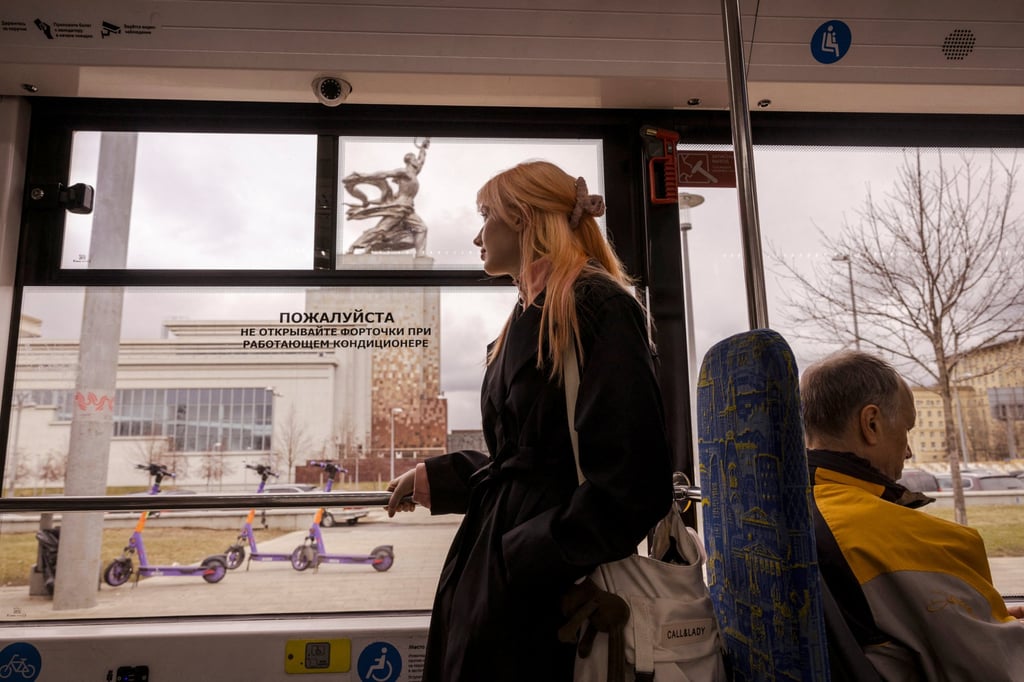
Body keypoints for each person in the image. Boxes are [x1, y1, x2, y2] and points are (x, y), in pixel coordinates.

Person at [386, 160, 674, 681]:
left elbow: (636, 477)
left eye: (485, 216)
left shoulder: (596, 306)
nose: (476, 235)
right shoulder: (526, 315)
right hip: (512, 565)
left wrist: (528, 554)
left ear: (523, 219)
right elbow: (528, 459)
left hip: (554, 586)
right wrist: (445, 477)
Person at [801, 350, 1024, 681]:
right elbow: (1001, 670)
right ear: (871, 424)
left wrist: (974, 615)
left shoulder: (788, 514)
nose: (908, 451)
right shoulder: (921, 540)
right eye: (907, 429)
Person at [345, 138, 430, 256]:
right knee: (381, 230)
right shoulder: (403, 172)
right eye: (415, 159)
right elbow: (384, 174)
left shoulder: (414, 174)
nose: (417, 161)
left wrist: (423, 149)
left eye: (416, 159)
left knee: (422, 228)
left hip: (408, 210)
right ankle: (354, 246)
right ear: (410, 161)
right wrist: (365, 175)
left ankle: (420, 255)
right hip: (399, 208)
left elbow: (422, 160)